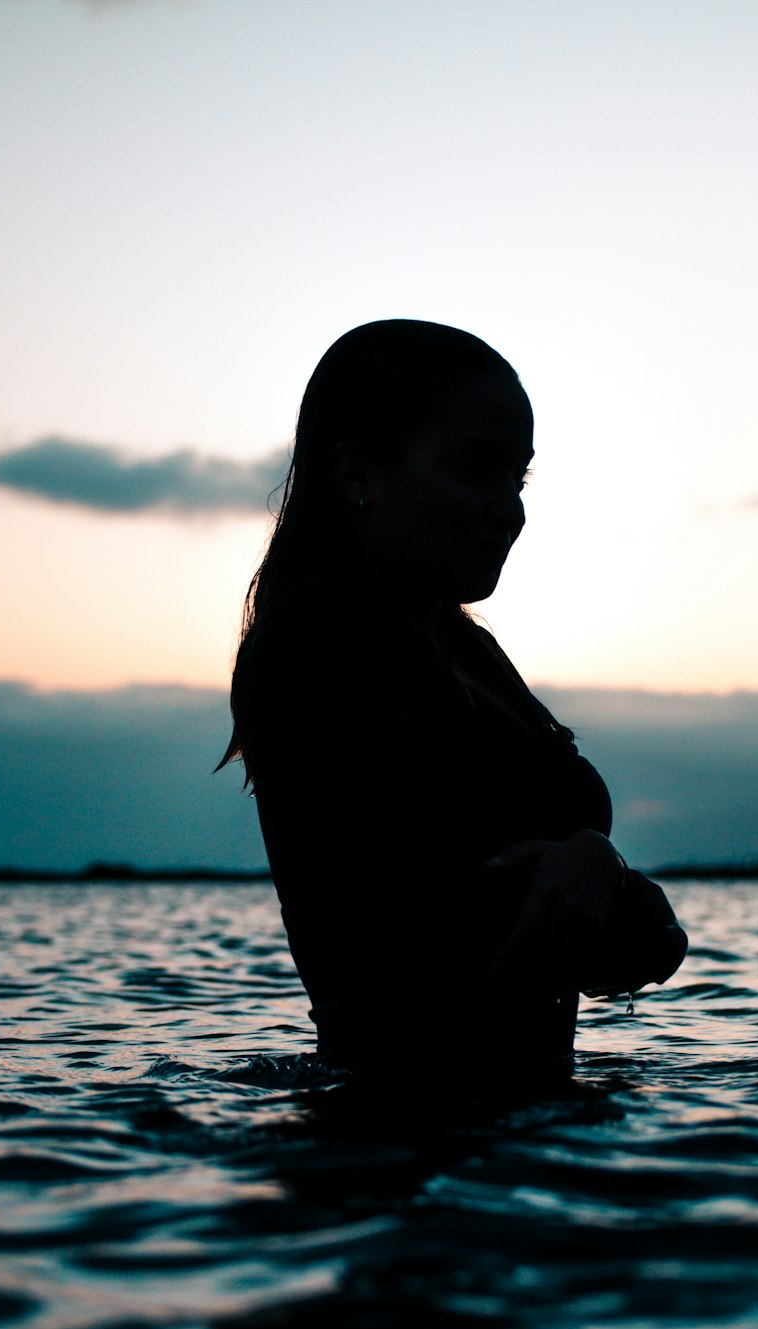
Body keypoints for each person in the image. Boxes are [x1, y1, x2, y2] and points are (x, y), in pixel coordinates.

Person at [220, 320, 686, 1090]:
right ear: (358, 474)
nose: (512, 510)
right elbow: (458, 917)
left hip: (513, 1136)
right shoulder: (317, 640)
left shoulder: (465, 648)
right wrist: (607, 885)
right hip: (397, 1139)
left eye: (518, 477)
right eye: (476, 470)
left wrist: (596, 868)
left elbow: (623, 935)